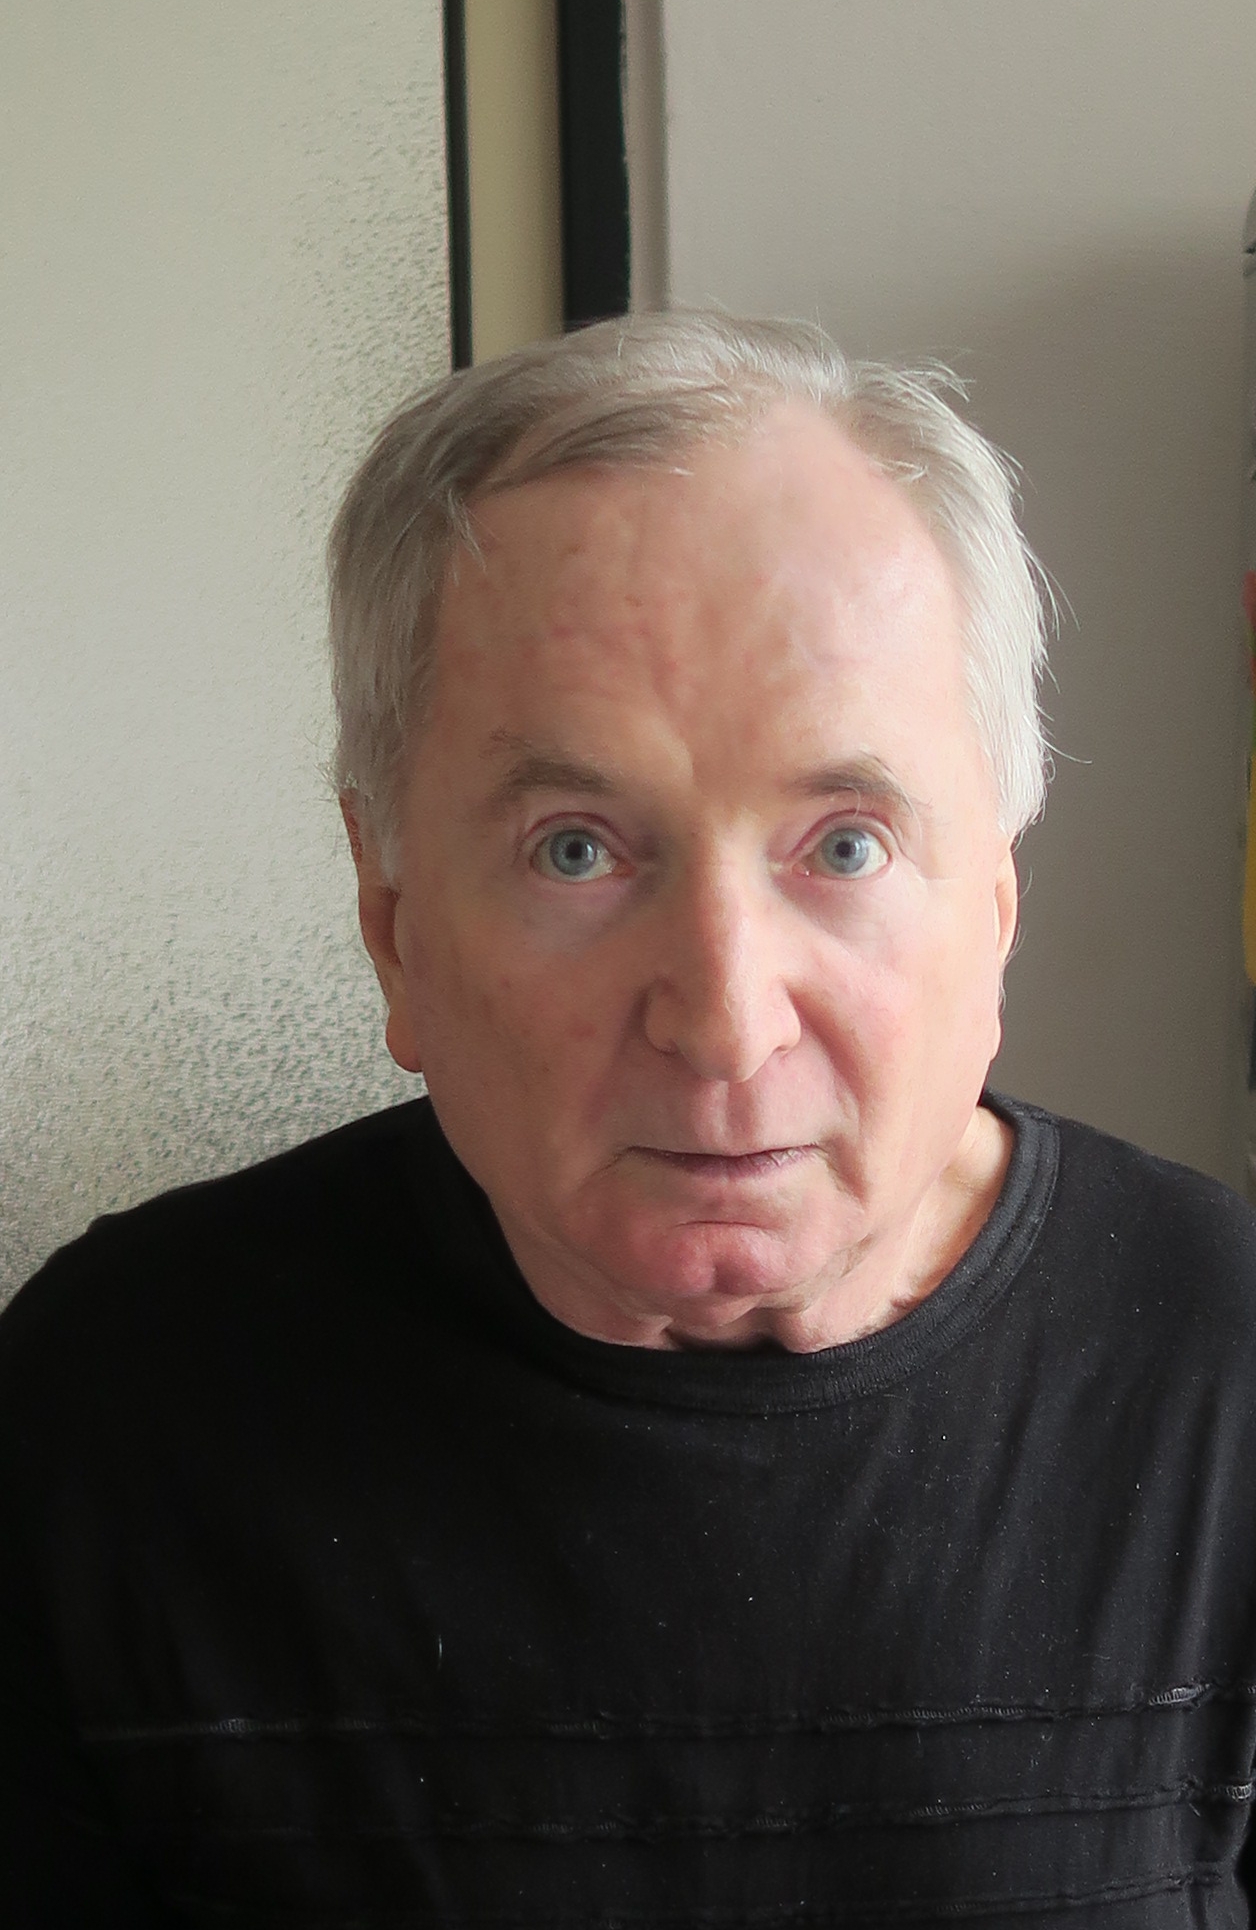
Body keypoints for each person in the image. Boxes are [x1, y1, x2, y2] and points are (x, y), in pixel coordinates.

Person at [2, 311, 1255, 1927]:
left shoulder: (1222, 1366)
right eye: (576, 849)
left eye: (847, 844)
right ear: (392, 920)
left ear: (996, 906)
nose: (725, 1017)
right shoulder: (112, 1413)